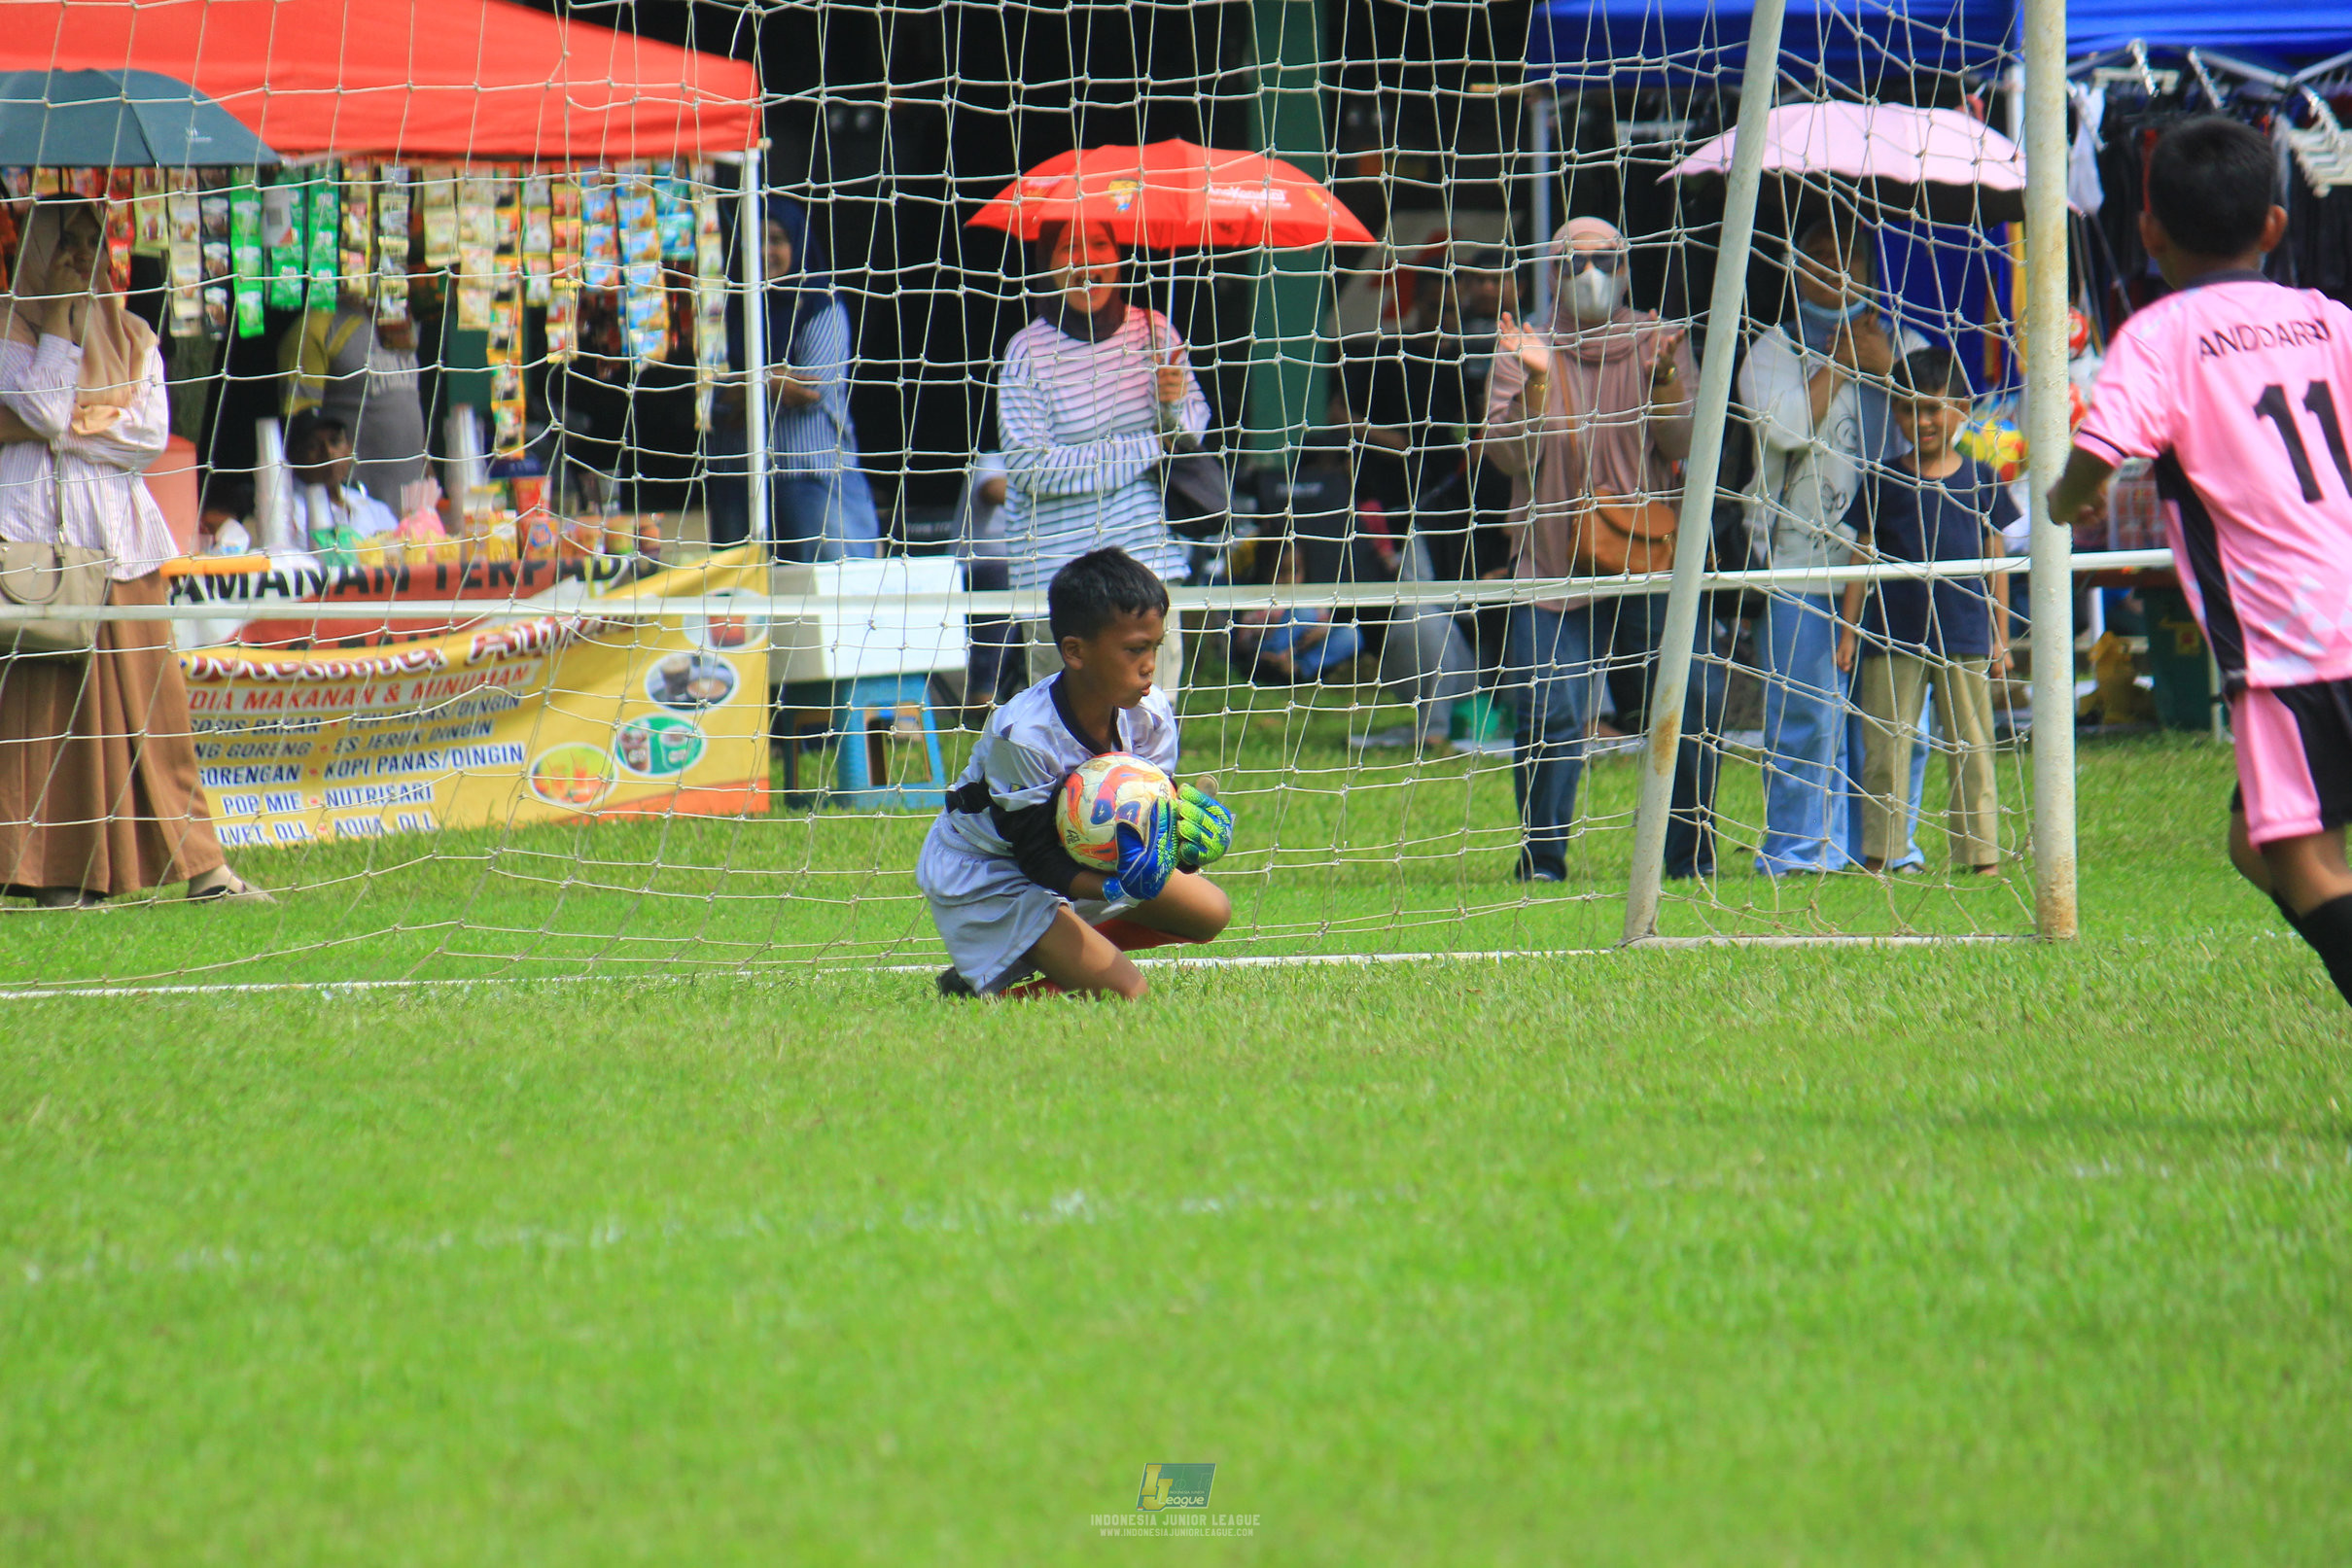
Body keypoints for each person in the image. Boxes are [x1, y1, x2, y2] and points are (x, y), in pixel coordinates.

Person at [2049, 117, 2352, 1008]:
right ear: (2272, 224)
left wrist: (2069, 499)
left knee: (2296, 856)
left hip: (2287, 646)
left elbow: (2100, 449)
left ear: (2146, 231)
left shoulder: (2159, 333)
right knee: (2247, 841)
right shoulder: (2325, 318)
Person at [0, 200, 267, 908]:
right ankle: (59, 875)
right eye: (65, 242)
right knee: (53, 715)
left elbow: (146, 435)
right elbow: (54, 407)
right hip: (37, 544)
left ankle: (204, 869)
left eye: (92, 241)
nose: (81, 255)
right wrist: (57, 326)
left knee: (155, 707)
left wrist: (50, 425)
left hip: (122, 542)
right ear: (35, 250)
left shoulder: (133, 331)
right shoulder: (10, 325)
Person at [1486, 217, 1717, 883]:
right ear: (1551, 273)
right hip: (1548, 563)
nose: (1588, 274)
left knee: (1690, 694)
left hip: (1643, 557)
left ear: (1624, 268)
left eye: (1603, 260)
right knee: (1549, 708)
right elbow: (1507, 457)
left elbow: (1682, 448)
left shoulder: (1656, 340)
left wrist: (1666, 379)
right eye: (1572, 262)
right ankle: (1544, 861)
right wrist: (1534, 381)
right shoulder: (1522, 344)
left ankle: (1688, 858)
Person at [917, 548, 1237, 1000]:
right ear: (1075, 651)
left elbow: (1150, 829)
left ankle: (1047, 954)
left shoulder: (1152, 714)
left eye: (1155, 647)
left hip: (1083, 861)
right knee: (1129, 995)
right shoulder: (1024, 734)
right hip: (994, 871)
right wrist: (1117, 886)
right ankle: (989, 988)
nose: (1149, 664)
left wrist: (1187, 846)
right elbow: (1036, 857)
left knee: (1210, 912)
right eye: (1134, 649)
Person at [1738, 216, 1932, 876]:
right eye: (1815, 256)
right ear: (1793, 268)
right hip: (1798, 560)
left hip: (1890, 562)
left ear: (1869, 270)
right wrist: (1840, 364)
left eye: (1844, 258)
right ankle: (1797, 850)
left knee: (1893, 717)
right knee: (1802, 711)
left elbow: (1942, 420)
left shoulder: (1901, 343)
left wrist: (1887, 368)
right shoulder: (1771, 349)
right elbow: (1785, 427)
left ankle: (1883, 846)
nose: (1830, 270)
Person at [995, 220, 1211, 701]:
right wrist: (1148, 445)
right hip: (1055, 570)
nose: (1086, 262)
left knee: (1151, 719)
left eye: (1099, 245)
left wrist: (1172, 404)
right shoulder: (1025, 351)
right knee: (1064, 729)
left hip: (1145, 560)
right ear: (1047, 263)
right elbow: (1032, 469)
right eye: (1068, 248)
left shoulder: (1155, 329)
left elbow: (1191, 431)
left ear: (1119, 256)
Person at [1835, 349, 2013, 874]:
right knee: (1887, 746)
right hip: (1892, 632)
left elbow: (1995, 563)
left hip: (1965, 630)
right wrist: (1849, 631)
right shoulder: (1883, 478)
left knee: (1973, 746)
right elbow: (1861, 554)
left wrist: (2001, 636)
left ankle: (1980, 855)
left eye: (1933, 408)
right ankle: (1881, 853)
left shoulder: (1982, 478)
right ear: (1895, 413)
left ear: (1960, 408)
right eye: (1910, 409)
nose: (1924, 421)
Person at [279, 288, 428, 512]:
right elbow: (300, 435)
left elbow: (408, 415)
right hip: (354, 516)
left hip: (414, 517)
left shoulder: (402, 322)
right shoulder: (317, 326)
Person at [1233, 532, 1363, 684]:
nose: (1288, 579)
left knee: (1351, 635)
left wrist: (1319, 632)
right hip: (1266, 653)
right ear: (1268, 572)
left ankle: (1298, 669)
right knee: (1303, 612)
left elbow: (1326, 623)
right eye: (1281, 573)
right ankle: (1272, 665)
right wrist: (1266, 628)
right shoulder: (1261, 599)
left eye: (1294, 571)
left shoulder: (1311, 597)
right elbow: (1243, 639)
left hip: (1299, 652)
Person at [285, 410, 402, 558]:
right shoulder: (289, 512)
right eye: (313, 445)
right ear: (294, 456)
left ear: (349, 449)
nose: (328, 452)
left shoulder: (376, 510)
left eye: (335, 441)